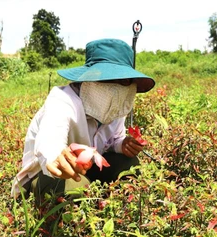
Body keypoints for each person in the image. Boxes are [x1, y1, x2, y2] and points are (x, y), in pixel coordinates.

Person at [11, 38, 155, 206]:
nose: (116, 88)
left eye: (123, 82)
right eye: (108, 80)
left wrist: (121, 144)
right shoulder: (63, 100)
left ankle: (110, 208)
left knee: (130, 165)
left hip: (88, 170)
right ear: (89, 79)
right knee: (73, 188)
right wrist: (56, 156)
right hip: (48, 176)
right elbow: (50, 139)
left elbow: (113, 139)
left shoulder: (116, 106)